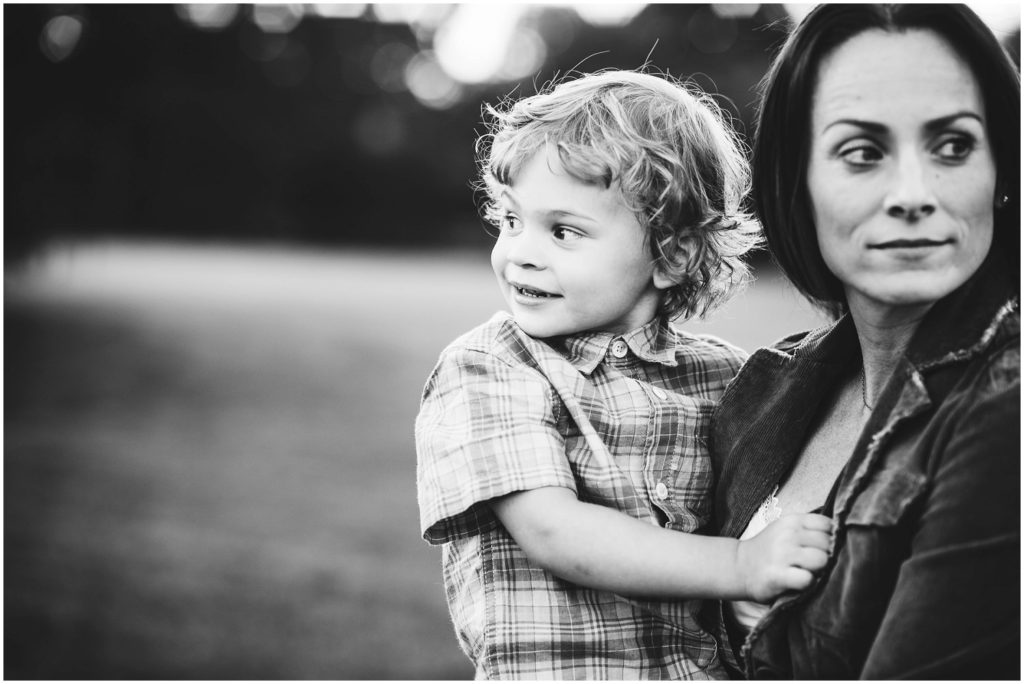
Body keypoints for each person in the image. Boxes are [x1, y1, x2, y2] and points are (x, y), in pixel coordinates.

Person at [415, 70, 833, 679]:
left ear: (672, 254)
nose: (520, 253)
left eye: (563, 231)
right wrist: (740, 567)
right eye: (510, 220)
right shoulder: (492, 364)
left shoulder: (725, 378)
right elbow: (555, 533)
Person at [708, 4, 1020, 679]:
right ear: (797, 182)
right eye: (863, 153)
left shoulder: (1009, 404)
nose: (912, 195)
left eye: (953, 146)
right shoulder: (765, 385)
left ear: (1001, 172)